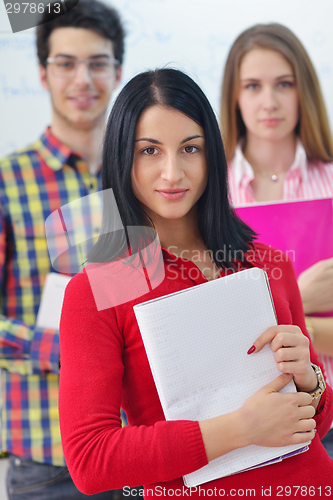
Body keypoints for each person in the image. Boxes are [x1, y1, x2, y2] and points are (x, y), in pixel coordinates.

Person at [58, 68, 333, 499]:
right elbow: (91, 460)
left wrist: (309, 379)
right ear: (120, 158)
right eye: (149, 150)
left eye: (190, 148)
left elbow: (315, 425)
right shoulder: (99, 289)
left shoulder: (266, 263)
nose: (172, 172)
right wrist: (240, 429)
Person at [0, 0, 125, 498]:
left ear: (117, 71)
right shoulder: (8, 182)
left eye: (97, 63)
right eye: (65, 63)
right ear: (41, 73)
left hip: (144, 442)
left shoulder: (147, 179)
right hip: (48, 460)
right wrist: (65, 349)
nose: (83, 79)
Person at [220, 22, 333, 457]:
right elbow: (217, 333)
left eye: (283, 84)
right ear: (234, 96)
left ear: (302, 89)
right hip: (248, 423)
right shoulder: (210, 192)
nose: (269, 102)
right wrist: (298, 298)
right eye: (253, 86)